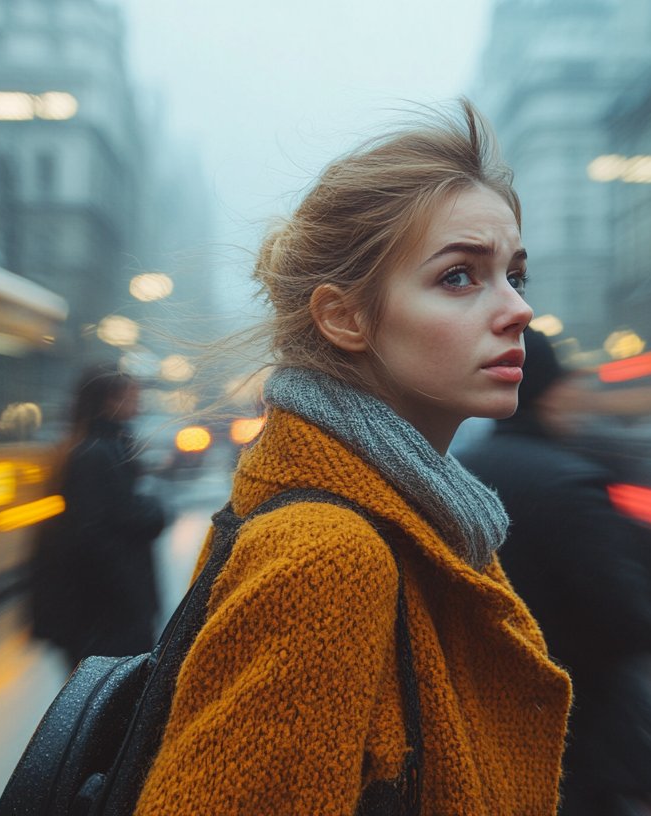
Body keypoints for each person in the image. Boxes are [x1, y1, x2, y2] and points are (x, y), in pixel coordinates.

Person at [134, 101, 571, 814]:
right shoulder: (328, 557)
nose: (518, 310)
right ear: (345, 317)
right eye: (459, 277)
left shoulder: (416, 520)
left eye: (514, 276)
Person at [457, 327, 651, 816]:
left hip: (482, 733)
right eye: (564, 387)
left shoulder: (455, 473)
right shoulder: (569, 482)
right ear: (544, 392)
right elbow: (632, 620)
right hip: (580, 741)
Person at [32, 366, 167, 667]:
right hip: (106, 610)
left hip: (105, 608)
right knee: (110, 695)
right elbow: (101, 527)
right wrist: (152, 512)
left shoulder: (104, 446)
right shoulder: (95, 454)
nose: (139, 402)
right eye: (132, 395)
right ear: (109, 401)